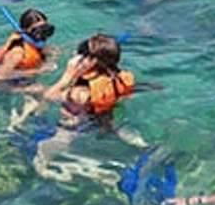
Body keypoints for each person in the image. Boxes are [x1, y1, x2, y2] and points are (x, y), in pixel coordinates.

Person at [16, 34, 145, 174]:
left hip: (77, 125)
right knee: (111, 126)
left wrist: (67, 76)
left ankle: (45, 167)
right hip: (106, 117)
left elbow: (49, 97)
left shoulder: (79, 92)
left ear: (91, 62)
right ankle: (137, 142)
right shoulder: (120, 77)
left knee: (50, 143)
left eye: (81, 56)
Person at [0, 8, 56, 83]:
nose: (43, 35)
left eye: (46, 30)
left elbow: (48, 51)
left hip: (18, 74)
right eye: (38, 31)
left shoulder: (35, 43)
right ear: (26, 31)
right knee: (40, 90)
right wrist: (38, 71)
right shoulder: (18, 52)